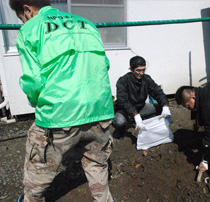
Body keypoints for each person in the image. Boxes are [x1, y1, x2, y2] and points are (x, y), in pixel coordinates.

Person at [9, 1, 115, 201]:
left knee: (38, 171)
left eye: (21, 17)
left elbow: (33, 81)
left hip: (59, 113)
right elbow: (104, 65)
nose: (23, 21)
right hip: (99, 109)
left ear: (27, 9)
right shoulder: (87, 24)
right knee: (97, 165)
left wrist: (34, 100)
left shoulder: (30, 29)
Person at [112, 56, 171, 139]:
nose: (141, 73)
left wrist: (165, 106)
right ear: (131, 69)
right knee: (119, 122)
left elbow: (158, 92)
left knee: (160, 109)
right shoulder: (123, 81)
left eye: (143, 70)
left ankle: (149, 126)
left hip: (141, 108)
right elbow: (123, 101)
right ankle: (121, 132)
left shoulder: (146, 79)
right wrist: (135, 114)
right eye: (138, 70)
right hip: (125, 110)